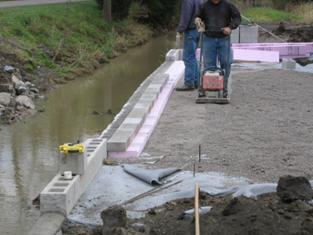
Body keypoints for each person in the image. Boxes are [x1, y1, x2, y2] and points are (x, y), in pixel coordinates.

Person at [195, 0, 241, 98]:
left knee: (226, 63)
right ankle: (205, 87)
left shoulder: (228, 5)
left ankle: (224, 86)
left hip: (224, 38)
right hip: (208, 38)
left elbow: (237, 17)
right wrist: (198, 21)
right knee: (208, 66)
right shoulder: (204, 6)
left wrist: (230, 27)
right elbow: (198, 17)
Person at [176, 0, 203, 91]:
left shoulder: (187, 1)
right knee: (193, 57)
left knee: (188, 57)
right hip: (198, 30)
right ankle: (196, 82)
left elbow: (185, 17)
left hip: (190, 31)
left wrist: (180, 30)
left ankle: (189, 83)